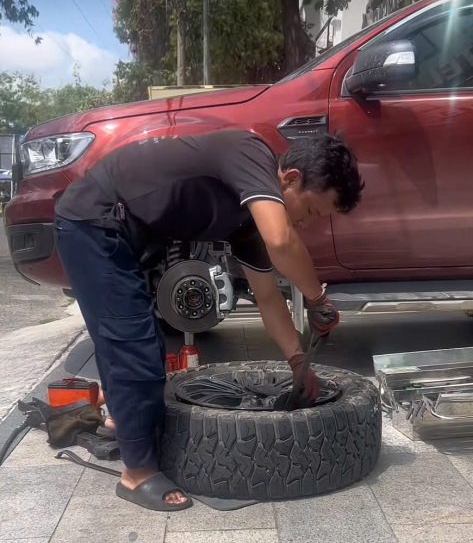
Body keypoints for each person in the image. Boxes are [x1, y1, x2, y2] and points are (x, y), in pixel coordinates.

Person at [54, 129, 364, 513]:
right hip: (94, 221)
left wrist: (298, 361)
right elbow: (282, 241)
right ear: (291, 178)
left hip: (122, 234)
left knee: (134, 339)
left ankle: (121, 421)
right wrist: (317, 300)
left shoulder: (247, 221)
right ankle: (136, 475)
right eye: (312, 211)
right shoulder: (250, 153)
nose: (307, 223)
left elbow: (268, 298)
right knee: (132, 345)